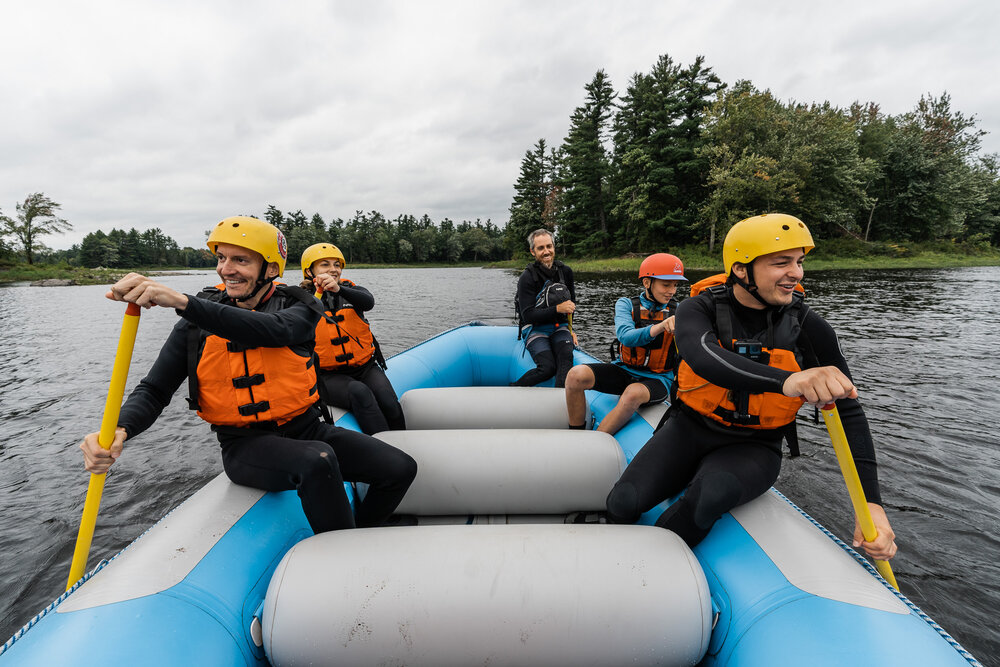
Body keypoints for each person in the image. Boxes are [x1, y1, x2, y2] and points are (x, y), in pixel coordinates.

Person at [79, 216, 417, 534]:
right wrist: (120, 428)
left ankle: (365, 532)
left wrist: (181, 301)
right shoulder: (195, 322)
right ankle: (345, 560)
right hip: (246, 447)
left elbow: (275, 330)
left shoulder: (299, 307)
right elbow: (154, 389)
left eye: (241, 260)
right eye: (222, 258)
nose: (227, 269)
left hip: (308, 427)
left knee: (401, 469)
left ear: (271, 268)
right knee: (317, 461)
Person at [605, 213, 897, 562]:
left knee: (711, 494)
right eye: (781, 262)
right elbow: (703, 356)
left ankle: (648, 567)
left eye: (799, 262)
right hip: (689, 427)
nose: (796, 273)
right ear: (742, 270)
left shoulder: (810, 327)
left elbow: (849, 411)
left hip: (755, 447)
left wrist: (872, 505)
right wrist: (787, 380)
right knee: (621, 503)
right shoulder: (698, 308)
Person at [564, 253, 686, 434]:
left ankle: (595, 441)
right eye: (666, 285)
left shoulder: (681, 310)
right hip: (625, 370)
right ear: (647, 283)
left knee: (632, 394)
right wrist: (660, 327)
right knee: (575, 376)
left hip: (659, 379)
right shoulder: (625, 304)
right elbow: (626, 337)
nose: (672, 291)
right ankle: (576, 431)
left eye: (675, 285)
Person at [300, 242, 405, 435]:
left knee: (388, 400)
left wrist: (339, 290)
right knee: (359, 392)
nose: (333, 270)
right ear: (309, 270)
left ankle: (405, 442)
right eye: (325, 264)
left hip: (364, 367)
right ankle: (384, 450)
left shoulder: (352, 291)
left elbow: (368, 302)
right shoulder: (299, 299)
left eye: (337, 265)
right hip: (326, 376)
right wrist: (319, 292)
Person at [512, 229, 578, 388]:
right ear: (533, 251)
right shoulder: (527, 277)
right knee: (548, 368)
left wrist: (571, 329)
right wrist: (557, 309)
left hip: (559, 328)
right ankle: (514, 388)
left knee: (566, 360)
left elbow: (570, 306)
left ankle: (561, 403)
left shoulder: (565, 272)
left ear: (554, 247)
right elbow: (527, 315)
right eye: (541, 248)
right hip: (535, 329)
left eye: (549, 246)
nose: (546, 251)